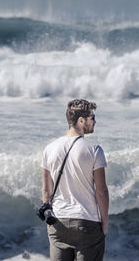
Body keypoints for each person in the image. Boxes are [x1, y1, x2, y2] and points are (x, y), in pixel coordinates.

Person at [41, 99, 109, 261]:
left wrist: (49, 221)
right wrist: (104, 223)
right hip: (87, 222)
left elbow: (46, 191)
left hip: (58, 222)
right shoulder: (94, 150)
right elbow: (101, 191)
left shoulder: (49, 149)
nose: (95, 121)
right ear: (81, 120)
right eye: (92, 117)